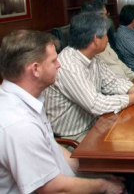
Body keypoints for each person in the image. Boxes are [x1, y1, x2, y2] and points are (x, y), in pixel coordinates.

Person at [0, 30, 126, 193]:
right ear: (35, 69)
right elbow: (53, 189)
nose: (59, 64)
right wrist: (104, 185)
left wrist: (94, 175)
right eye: (53, 61)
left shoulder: (25, 99)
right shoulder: (19, 124)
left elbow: (55, 151)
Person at [44, 12, 134, 143]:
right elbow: (96, 104)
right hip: (75, 136)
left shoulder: (92, 57)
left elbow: (112, 81)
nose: (108, 39)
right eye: (105, 35)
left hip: (97, 122)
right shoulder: (69, 66)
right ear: (95, 39)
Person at [81, 0, 134, 81]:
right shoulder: (92, 47)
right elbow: (109, 81)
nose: (107, 18)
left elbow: (117, 62)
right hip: (119, 86)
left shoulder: (103, 38)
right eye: (105, 15)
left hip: (125, 82)